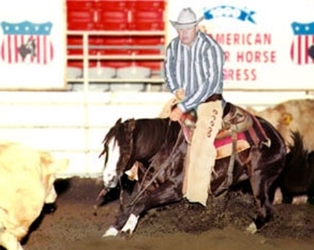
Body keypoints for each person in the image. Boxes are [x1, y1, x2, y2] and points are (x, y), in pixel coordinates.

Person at [164, 7, 226, 206]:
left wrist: (183, 106)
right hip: (183, 99)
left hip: (209, 102)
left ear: (196, 27)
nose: (183, 33)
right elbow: (168, 72)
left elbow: (210, 82)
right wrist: (176, 89)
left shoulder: (210, 47)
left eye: (187, 29)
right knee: (157, 130)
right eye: (180, 29)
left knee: (201, 145)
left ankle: (196, 200)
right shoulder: (173, 47)